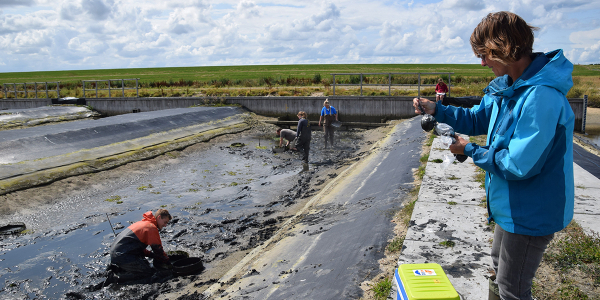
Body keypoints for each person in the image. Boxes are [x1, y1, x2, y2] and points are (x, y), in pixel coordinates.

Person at [413, 11, 574, 300]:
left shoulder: (541, 97)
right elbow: (478, 119)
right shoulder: (508, 88)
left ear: (505, 48)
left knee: (513, 289)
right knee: (499, 271)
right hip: (511, 206)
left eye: (485, 55)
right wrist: (437, 109)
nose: (483, 62)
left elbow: (518, 165)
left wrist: (470, 150)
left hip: (531, 210)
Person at [108, 209, 173, 284]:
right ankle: (116, 279)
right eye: (165, 222)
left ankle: (121, 269)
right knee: (147, 273)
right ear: (159, 217)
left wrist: (151, 255)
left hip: (117, 252)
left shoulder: (144, 223)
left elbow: (135, 246)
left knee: (145, 264)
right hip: (122, 255)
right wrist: (168, 262)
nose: (165, 225)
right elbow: (158, 250)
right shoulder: (151, 227)